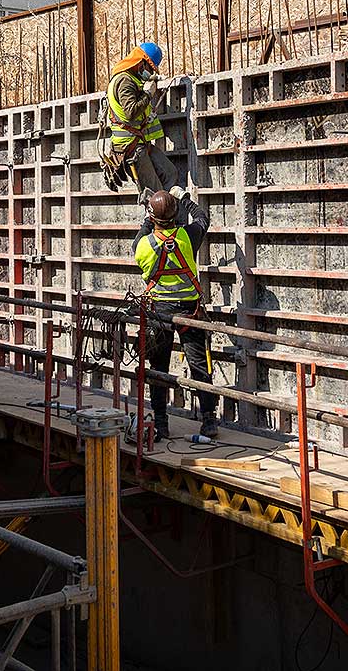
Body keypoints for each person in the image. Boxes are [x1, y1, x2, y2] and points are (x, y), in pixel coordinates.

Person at [133, 189, 217, 445]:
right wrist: (184, 200)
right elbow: (203, 218)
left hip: (160, 311)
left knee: (158, 369)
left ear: (153, 216)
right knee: (199, 366)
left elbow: (137, 245)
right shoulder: (187, 236)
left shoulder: (144, 245)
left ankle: (161, 423)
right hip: (189, 310)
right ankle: (209, 420)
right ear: (176, 214)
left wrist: (149, 216)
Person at [103, 42, 181, 198]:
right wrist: (148, 94)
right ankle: (156, 219)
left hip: (139, 143)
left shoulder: (130, 78)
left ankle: (167, 213)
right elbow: (131, 112)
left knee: (169, 173)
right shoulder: (125, 81)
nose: (150, 72)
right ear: (141, 62)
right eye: (150, 68)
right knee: (155, 194)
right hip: (131, 148)